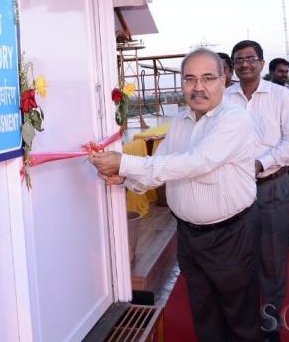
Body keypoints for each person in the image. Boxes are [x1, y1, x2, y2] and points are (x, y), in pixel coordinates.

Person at [89, 48, 261, 342]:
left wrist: (125, 162)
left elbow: (197, 162)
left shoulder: (234, 119)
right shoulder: (181, 121)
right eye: (190, 79)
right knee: (204, 315)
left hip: (231, 235)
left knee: (241, 321)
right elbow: (164, 166)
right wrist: (126, 178)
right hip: (190, 237)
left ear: (224, 80)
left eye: (208, 78)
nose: (198, 87)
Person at [226, 41, 289, 342]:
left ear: (261, 62)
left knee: (272, 260)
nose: (245, 64)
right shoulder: (225, 97)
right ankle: (243, 325)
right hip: (233, 188)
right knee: (236, 259)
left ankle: (270, 325)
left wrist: (261, 163)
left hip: (272, 185)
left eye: (250, 58)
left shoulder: (282, 96)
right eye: (239, 59)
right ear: (232, 64)